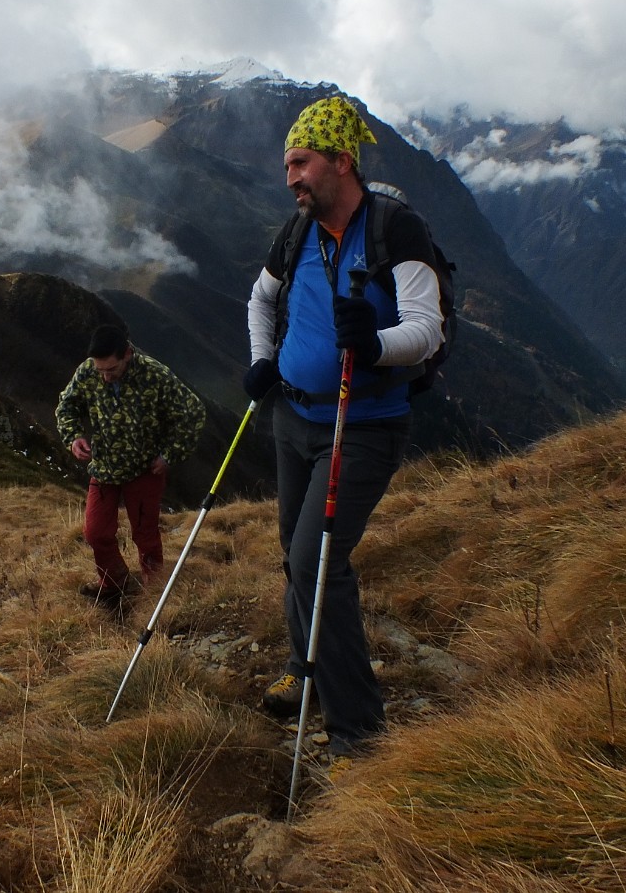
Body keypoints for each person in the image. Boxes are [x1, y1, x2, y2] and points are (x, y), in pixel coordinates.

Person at [244, 96, 445, 762]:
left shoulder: (395, 229)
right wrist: (262, 362)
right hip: (295, 417)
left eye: (300, 163)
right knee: (298, 561)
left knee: (317, 566)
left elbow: (427, 329)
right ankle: (306, 677)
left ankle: (359, 735)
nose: (291, 178)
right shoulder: (296, 232)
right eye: (287, 166)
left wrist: (377, 343)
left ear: (339, 161)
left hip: (362, 426)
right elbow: (261, 297)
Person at [56, 321, 206, 609]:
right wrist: (73, 437)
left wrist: (169, 455)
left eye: (110, 370)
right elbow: (67, 405)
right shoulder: (88, 371)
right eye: (100, 371)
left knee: (145, 534)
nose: (105, 377)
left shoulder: (154, 375)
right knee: (95, 532)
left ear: (126, 354)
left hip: (144, 470)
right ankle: (114, 582)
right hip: (104, 468)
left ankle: (154, 591)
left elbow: (193, 413)